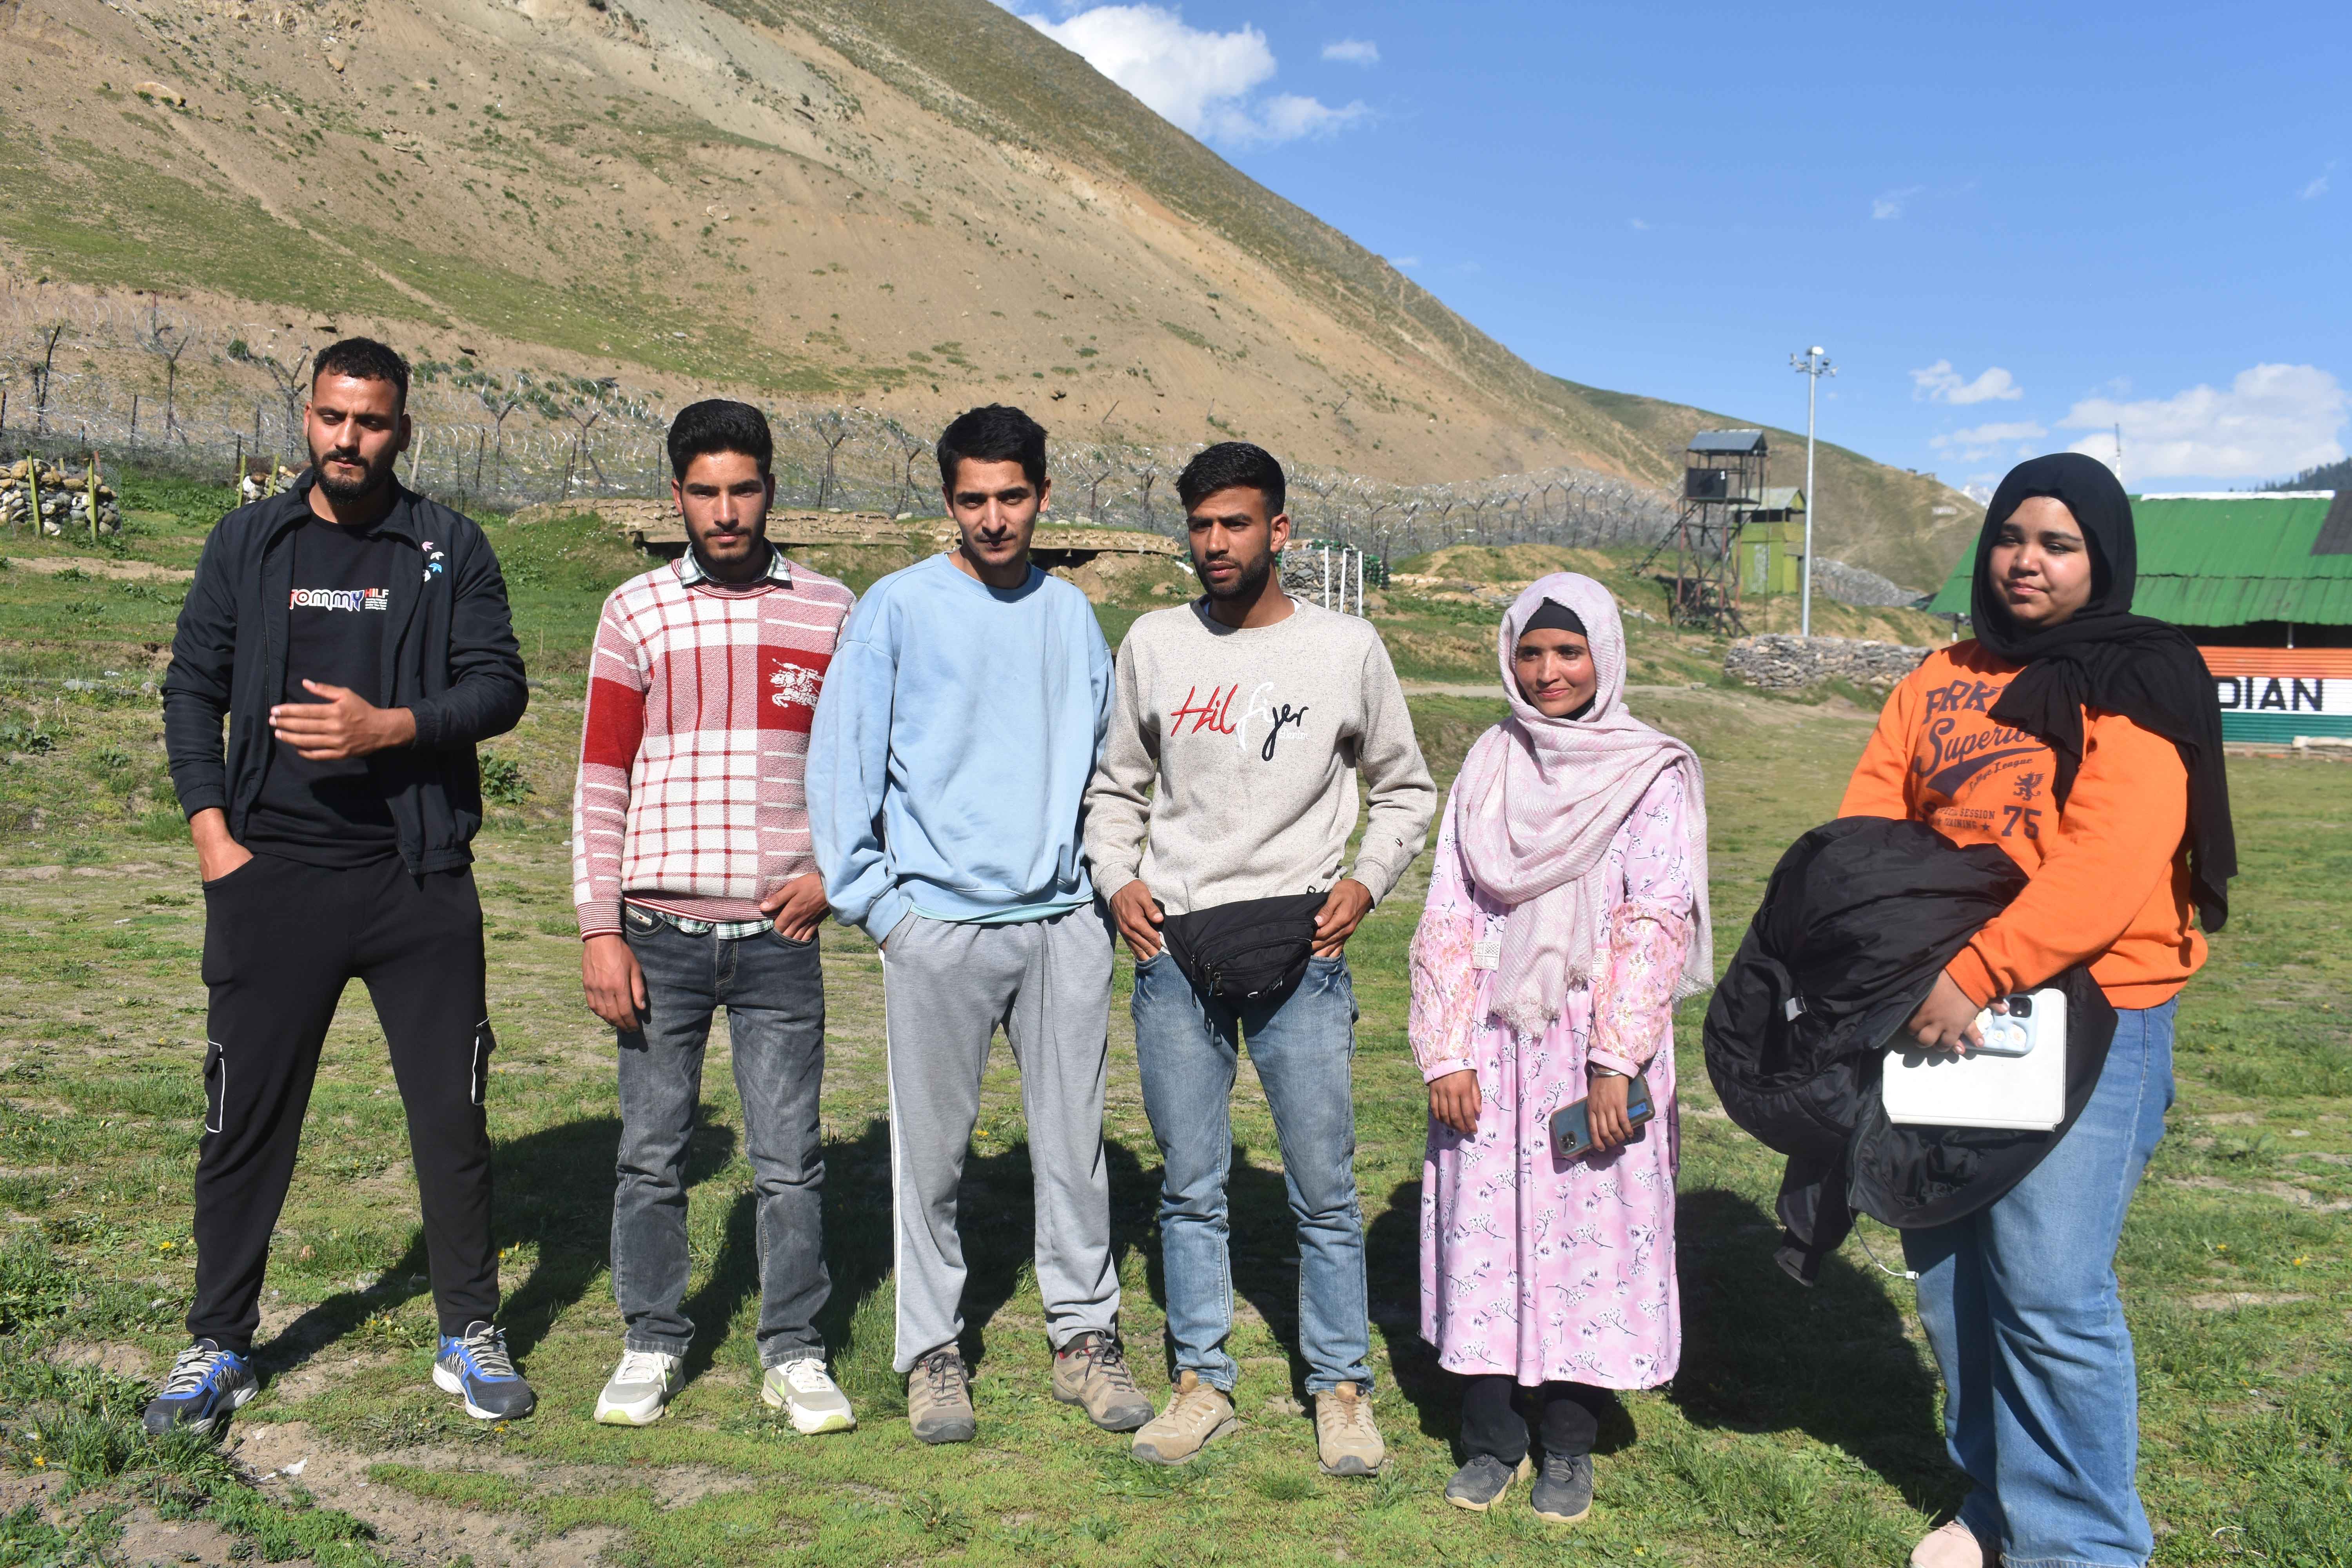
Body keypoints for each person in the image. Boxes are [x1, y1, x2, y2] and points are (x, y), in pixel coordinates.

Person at [1840, 453, 2234, 1568]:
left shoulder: (2141, 675)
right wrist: (1885, 956)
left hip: (2086, 1009)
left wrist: (1977, 971)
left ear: (2101, 559)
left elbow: (2111, 860)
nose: (2028, 561)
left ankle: (2085, 1546)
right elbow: (1872, 820)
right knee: (1952, 1273)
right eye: (2012, 537)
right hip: (1934, 1007)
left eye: (2059, 544)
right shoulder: (1938, 675)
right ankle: (1999, 1504)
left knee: (2050, 1290)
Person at [151, 338, 535, 1433]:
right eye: (332, 417)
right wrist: (214, 838)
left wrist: (392, 727)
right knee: (244, 1118)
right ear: (307, 418)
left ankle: (468, 1331)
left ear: (402, 430)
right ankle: (218, 1343)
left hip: (417, 877)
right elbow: (192, 689)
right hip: (273, 874)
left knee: (453, 1114)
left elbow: (499, 687)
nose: (349, 439)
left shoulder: (448, 547)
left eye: (371, 422)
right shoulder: (249, 542)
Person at [806, 403, 1152, 1445]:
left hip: (1061, 925)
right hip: (937, 928)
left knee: (1075, 1147)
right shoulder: (896, 609)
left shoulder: (1071, 615)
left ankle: (1084, 1335)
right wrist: (884, 910)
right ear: (948, 501)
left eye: (1012, 497)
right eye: (972, 500)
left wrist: (1096, 891)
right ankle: (932, 1351)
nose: (993, 519)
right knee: (931, 1158)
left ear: (1043, 496)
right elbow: (842, 766)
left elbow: (1109, 767)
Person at [1086, 441, 1435, 1475]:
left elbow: (1406, 788)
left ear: (1279, 530)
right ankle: (1202, 1381)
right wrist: (1118, 881)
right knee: (1191, 1186)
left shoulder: (1345, 648)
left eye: (1235, 523)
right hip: (1174, 948)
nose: (1216, 542)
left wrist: (1365, 882)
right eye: (1201, 525)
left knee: (1323, 1188)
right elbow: (1115, 787)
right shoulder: (1154, 642)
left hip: (1303, 953)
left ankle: (1340, 1386)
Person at [570, 401, 859, 1432]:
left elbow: (864, 767)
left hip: (780, 938)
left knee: (790, 1162)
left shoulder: (832, 611)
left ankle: (795, 1351)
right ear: (678, 496)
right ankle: (651, 1339)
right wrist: (600, 927)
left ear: (771, 489)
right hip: (660, 935)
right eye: (704, 492)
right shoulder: (635, 610)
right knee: (652, 1156)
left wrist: (835, 876)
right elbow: (601, 777)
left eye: (743, 490)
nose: (725, 512)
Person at [1407, 572, 1710, 1522]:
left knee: (1591, 1232)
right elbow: (1450, 910)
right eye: (1531, 652)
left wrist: (1616, 1059)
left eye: (1569, 652)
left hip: (1592, 1047)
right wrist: (1446, 1051)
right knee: (1485, 1229)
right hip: (1494, 1038)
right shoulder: (1490, 762)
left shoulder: (1648, 771)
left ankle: (1570, 1440)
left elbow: (1654, 918)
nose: (1548, 672)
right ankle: (1491, 1433)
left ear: (1604, 655)